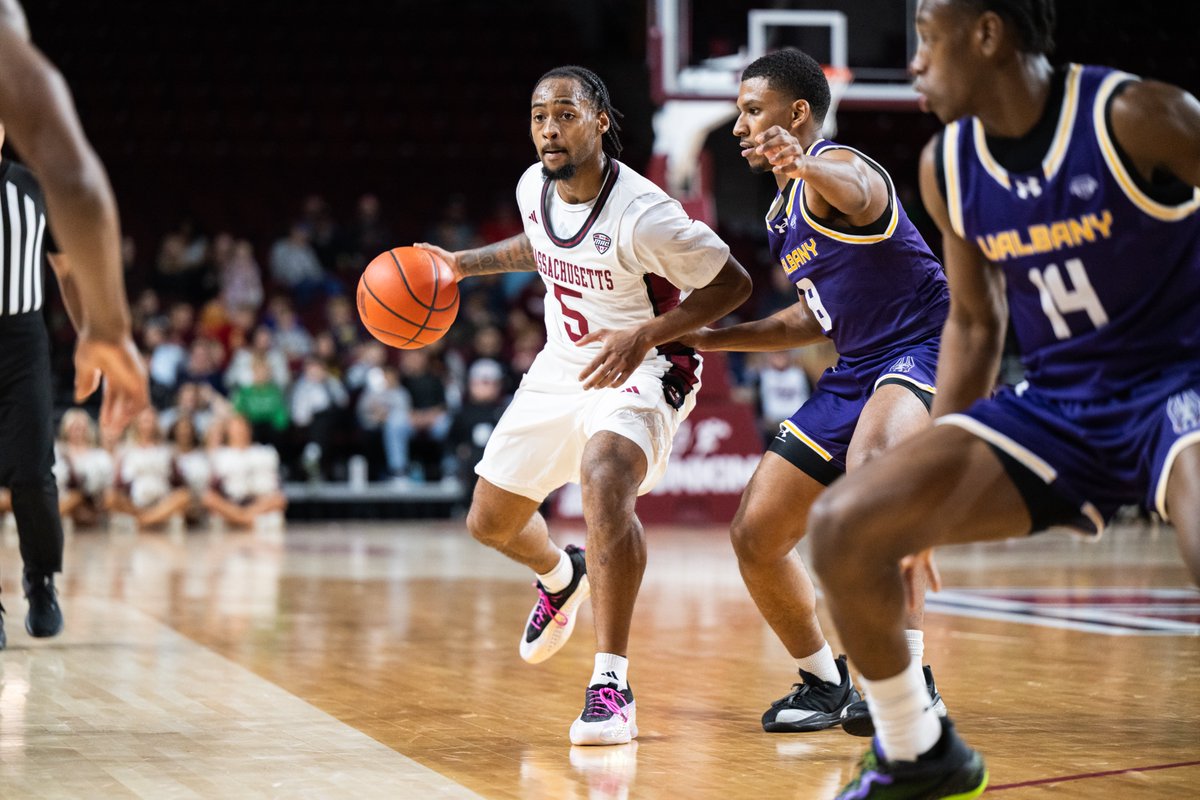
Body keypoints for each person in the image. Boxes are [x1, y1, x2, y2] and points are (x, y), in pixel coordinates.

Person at [805, 1, 1200, 797]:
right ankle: (918, 752)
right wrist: (924, 486)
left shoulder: (1139, 117)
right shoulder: (947, 166)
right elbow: (976, 326)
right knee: (844, 526)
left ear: (987, 35)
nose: (914, 62)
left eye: (927, 39)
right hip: (1056, 406)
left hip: (1174, 386)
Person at [416, 65, 751, 746]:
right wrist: (462, 264)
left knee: (604, 477)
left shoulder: (646, 213)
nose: (549, 128)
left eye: (565, 115)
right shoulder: (531, 187)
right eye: (540, 116)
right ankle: (560, 574)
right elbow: (538, 247)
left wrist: (647, 335)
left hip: (649, 362)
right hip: (563, 364)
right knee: (489, 521)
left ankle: (611, 684)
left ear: (599, 121)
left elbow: (733, 285)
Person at [679, 48, 951, 736]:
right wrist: (716, 340)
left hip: (922, 346)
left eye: (752, 110)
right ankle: (825, 682)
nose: (739, 125)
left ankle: (910, 681)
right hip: (855, 366)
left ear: (797, 113)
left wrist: (807, 163)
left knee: (871, 478)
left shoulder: (840, 167)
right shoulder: (782, 216)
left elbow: (862, 194)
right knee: (756, 534)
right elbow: (812, 317)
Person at [0, 0, 148, 648]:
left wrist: (93, 325)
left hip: (21, 340)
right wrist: (113, 332)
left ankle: (41, 580)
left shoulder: (28, 185)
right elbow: (82, 181)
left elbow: (65, 271)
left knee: (33, 472)